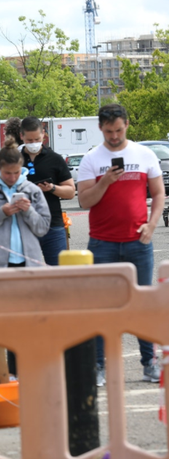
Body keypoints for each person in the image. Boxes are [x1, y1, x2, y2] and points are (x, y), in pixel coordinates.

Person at [77, 103, 164, 386]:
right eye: (108, 131)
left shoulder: (144, 153)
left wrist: (152, 224)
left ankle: (149, 364)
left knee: (142, 304)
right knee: (103, 305)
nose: (114, 136)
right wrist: (105, 183)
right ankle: (99, 366)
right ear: (100, 129)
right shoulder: (91, 159)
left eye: (118, 130)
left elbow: (159, 193)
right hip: (102, 243)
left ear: (126, 124)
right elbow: (84, 201)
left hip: (138, 241)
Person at [0, 136, 51, 268]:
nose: (12, 177)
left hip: (30, 263)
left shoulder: (33, 190)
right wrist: (1, 213)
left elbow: (43, 228)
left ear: (21, 167)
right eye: (7, 173)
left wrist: (28, 211)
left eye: (16, 172)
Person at [20, 116, 76, 266]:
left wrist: (52, 188)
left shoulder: (55, 159)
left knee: (58, 273)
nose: (34, 144)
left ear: (44, 134)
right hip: (23, 227)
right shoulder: (14, 161)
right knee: (26, 275)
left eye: (37, 139)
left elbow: (71, 192)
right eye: (29, 141)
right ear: (22, 136)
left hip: (53, 225)